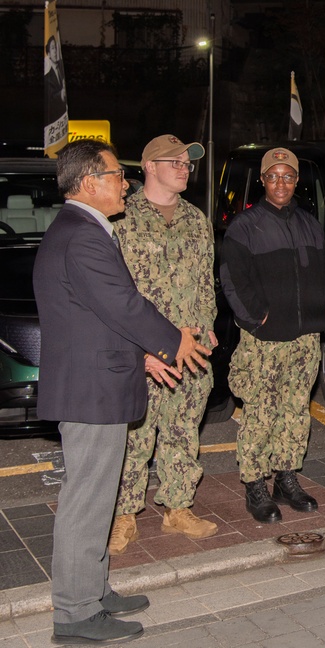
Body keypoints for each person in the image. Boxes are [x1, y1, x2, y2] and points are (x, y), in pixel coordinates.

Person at [33, 139, 209, 644]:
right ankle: (74, 614)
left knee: (99, 496)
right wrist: (172, 341)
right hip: (91, 391)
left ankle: (94, 590)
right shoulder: (82, 236)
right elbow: (124, 304)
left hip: (98, 380)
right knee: (86, 501)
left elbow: (98, 317)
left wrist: (143, 355)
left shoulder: (83, 230)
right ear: (90, 182)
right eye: (116, 174)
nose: (124, 183)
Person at [108, 135, 218, 555]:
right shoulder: (122, 218)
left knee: (183, 430)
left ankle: (178, 508)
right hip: (143, 350)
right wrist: (137, 348)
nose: (183, 167)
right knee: (135, 434)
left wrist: (206, 328)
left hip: (190, 350)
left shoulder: (195, 218)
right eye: (173, 161)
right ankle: (123, 516)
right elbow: (115, 292)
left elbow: (206, 285)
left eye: (187, 162)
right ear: (148, 167)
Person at [220, 147, 325, 523]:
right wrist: (259, 320)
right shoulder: (246, 226)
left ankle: (286, 479)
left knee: (295, 411)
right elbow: (234, 282)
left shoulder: (309, 223)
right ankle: (255, 484)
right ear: (263, 181)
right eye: (274, 176)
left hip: (304, 339)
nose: (281, 183)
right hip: (264, 340)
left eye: (288, 176)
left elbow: (324, 274)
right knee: (260, 412)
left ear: (297, 181)